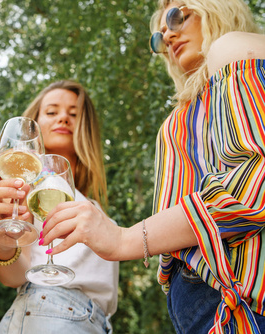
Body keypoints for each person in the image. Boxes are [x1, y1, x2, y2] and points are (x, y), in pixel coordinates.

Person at [41, 1, 265, 333]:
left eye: (176, 16)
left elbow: (256, 177)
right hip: (201, 299)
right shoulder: (196, 101)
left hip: (236, 294)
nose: (168, 34)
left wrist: (123, 239)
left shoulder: (235, 48)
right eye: (159, 37)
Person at [0, 80, 119, 333]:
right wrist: (2, 242)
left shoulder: (85, 201)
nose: (63, 118)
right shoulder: (26, 189)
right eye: (52, 112)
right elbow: (15, 277)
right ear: (35, 126)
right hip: (48, 314)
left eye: (73, 114)